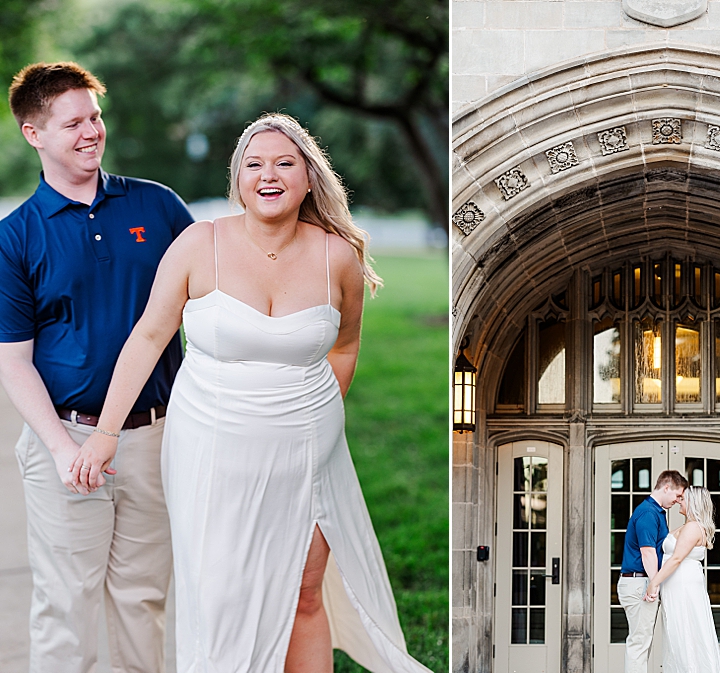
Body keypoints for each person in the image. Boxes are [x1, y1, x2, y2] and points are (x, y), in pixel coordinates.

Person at [71, 112, 433, 673]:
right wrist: (104, 434)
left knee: (304, 592)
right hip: (211, 448)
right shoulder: (199, 245)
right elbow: (146, 338)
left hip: (308, 453)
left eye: (285, 163)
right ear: (237, 179)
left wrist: (320, 415)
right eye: (255, 164)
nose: (270, 175)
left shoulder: (338, 256)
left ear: (309, 178)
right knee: (221, 598)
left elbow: (345, 346)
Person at [0, 62, 194, 672]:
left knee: (143, 600)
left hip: (154, 436)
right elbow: (15, 364)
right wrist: (60, 450)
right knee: (66, 602)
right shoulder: (16, 236)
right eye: (73, 124)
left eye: (95, 117)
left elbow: (220, 294)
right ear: (34, 134)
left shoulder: (157, 207)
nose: (91, 132)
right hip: (67, 438)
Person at [644, 486, 720, 673]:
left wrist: (654, 583)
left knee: (686, 632)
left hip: (684, 586)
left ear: (694, 503)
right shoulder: (689, 525)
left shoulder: (693, 528)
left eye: (684, 499)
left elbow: (677, 558)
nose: (680, 501)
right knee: (678, 633)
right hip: (678, 585)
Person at [618, 470, 688, 673]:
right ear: (666, 487)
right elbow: (648, 553)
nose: (677, 500)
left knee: (642, 642)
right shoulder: (648, 512)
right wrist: (654, 583)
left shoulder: (654, 511)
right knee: (639, 643)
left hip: (641, 582)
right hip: (639, 583)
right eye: (677, 495)